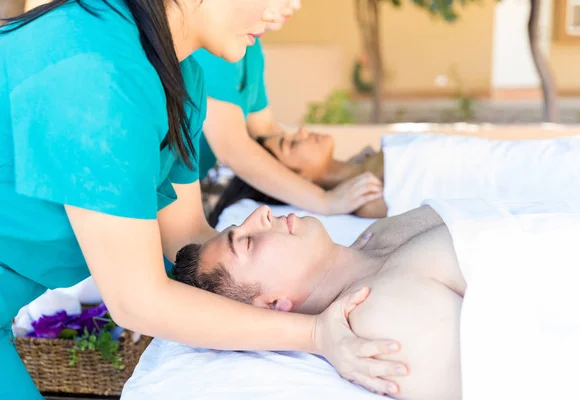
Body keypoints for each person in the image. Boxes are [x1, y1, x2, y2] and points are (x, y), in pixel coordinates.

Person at [0, 1, 405, 398]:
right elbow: (136, 300)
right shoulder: (97, 71)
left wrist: (324, 283)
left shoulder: (180, 77)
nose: (289, 8)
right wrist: (316, 333)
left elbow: (186, 238)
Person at [173, 205, 463, 399]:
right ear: (274, 305)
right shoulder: (377, 321)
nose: (261, 212)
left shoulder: (383, 231)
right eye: (247, 242)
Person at [193, 0, 383, 217]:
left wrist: (342, 172)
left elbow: (265, 131)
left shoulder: (249, 46)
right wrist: (325, 201)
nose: (295, 5)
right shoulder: (216, 40)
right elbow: (232, 148)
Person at [207, 128, 387, 227]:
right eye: (291, 144)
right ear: (298, 181)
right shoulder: (368, 198)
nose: (302, 131)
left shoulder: (375, 156)